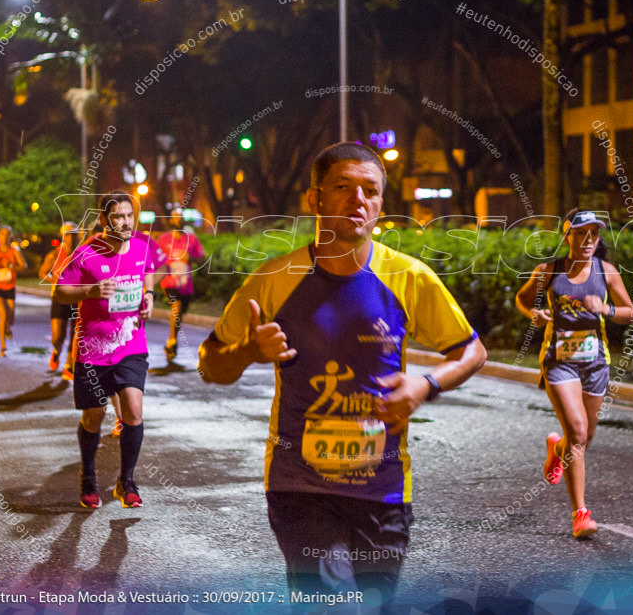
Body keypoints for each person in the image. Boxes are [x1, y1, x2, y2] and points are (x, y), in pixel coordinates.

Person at [198, 142, 486, 608]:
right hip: (299, 486)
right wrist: (249, 349)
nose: (358, 200)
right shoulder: (276, 278)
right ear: (314, 200)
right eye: (343, 187)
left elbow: (473, 350)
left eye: (370, 191)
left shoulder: (408, 277)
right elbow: (211, 364)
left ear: (381, 206)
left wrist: (425, 384)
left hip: (384, 489)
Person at [515, 209, 633, 539]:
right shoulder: (549, 271)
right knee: (579, 433)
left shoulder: (606, 272)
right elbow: (522, 299)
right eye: (580, 234)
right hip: (559, 361)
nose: (587, 241)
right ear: (567, 237)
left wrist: (607, 309)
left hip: (596, 362)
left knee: (584, 438)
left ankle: (557, 449)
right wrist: (534, 314)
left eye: (593, 235)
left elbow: (629, 312)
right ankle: (580, 513)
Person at [55, 192, 158, 509]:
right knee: (94, 415)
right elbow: (60, 291)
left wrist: (150, 293)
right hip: (93, 348)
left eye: (129, 215)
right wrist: (91, 290)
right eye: (118, 217)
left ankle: (126, 481)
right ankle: (88, 476)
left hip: (131, 343)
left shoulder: (142, 244)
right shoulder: (86, 252)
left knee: (134, 410)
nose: (126, 222)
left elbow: (149, 268)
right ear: (104, 220)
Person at [156, 208, 206, 362]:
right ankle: (172, 340)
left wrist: (190, 257)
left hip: (185, 283)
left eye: (180, 217)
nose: (178, 220)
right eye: (175, 217)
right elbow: (154, 258)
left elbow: (202, 259)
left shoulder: (192, 239)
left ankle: (172, 339)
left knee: (180, 312)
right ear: (171, 221)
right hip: (169, 281)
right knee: (176, 305)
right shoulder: (163, 239)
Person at [39, 222, 80, 374]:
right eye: (69, 235)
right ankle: (56, 350)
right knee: (57, 336)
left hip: (77, 298)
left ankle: (69, 365)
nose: (72, 238)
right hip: (59, 298)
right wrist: (54, 279)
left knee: (75, 334)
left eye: (74, 235)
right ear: (63, 236)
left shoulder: (82, 253)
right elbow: (42, 272)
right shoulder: (55, 254)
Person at [0, 225, 26, 357]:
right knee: (2, 315)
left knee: (11, 318)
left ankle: (8, 327)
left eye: (6, 234)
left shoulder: (15, 251)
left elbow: (24, 266)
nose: (4, 236)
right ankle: (3, 347)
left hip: (9, 287)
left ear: (10, 236)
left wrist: (12, 266)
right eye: (1, 234)